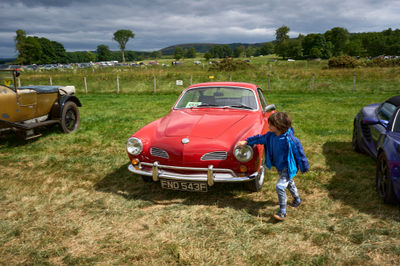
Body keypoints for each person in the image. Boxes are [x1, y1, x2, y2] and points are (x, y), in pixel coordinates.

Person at [237, 112, 309, 221]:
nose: (268, 126)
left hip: (288, 168)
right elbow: (259, 138)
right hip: (279, 167)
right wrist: (247, 142)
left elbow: (300, 155)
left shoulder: (291, 140)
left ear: (279, 126)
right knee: (289, 183)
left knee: (280, 186)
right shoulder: (270, 136)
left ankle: (282, 212)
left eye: (271, 124)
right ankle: (297, 199)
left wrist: (304, 167)